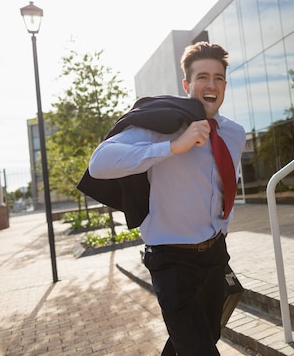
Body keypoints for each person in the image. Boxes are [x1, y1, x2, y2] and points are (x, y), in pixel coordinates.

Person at [88, 42, 246, 356]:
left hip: (214, 253)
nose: (211, 84)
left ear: (225, 85)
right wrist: (173, 147)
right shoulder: (162, 127)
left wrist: (222, 230)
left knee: (202, 336)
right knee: (199, 349)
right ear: (187, 85)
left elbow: (227, 185)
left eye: (218, 77)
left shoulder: (234, 133)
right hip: (171, 260)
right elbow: (99, 164)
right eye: (202, 77)